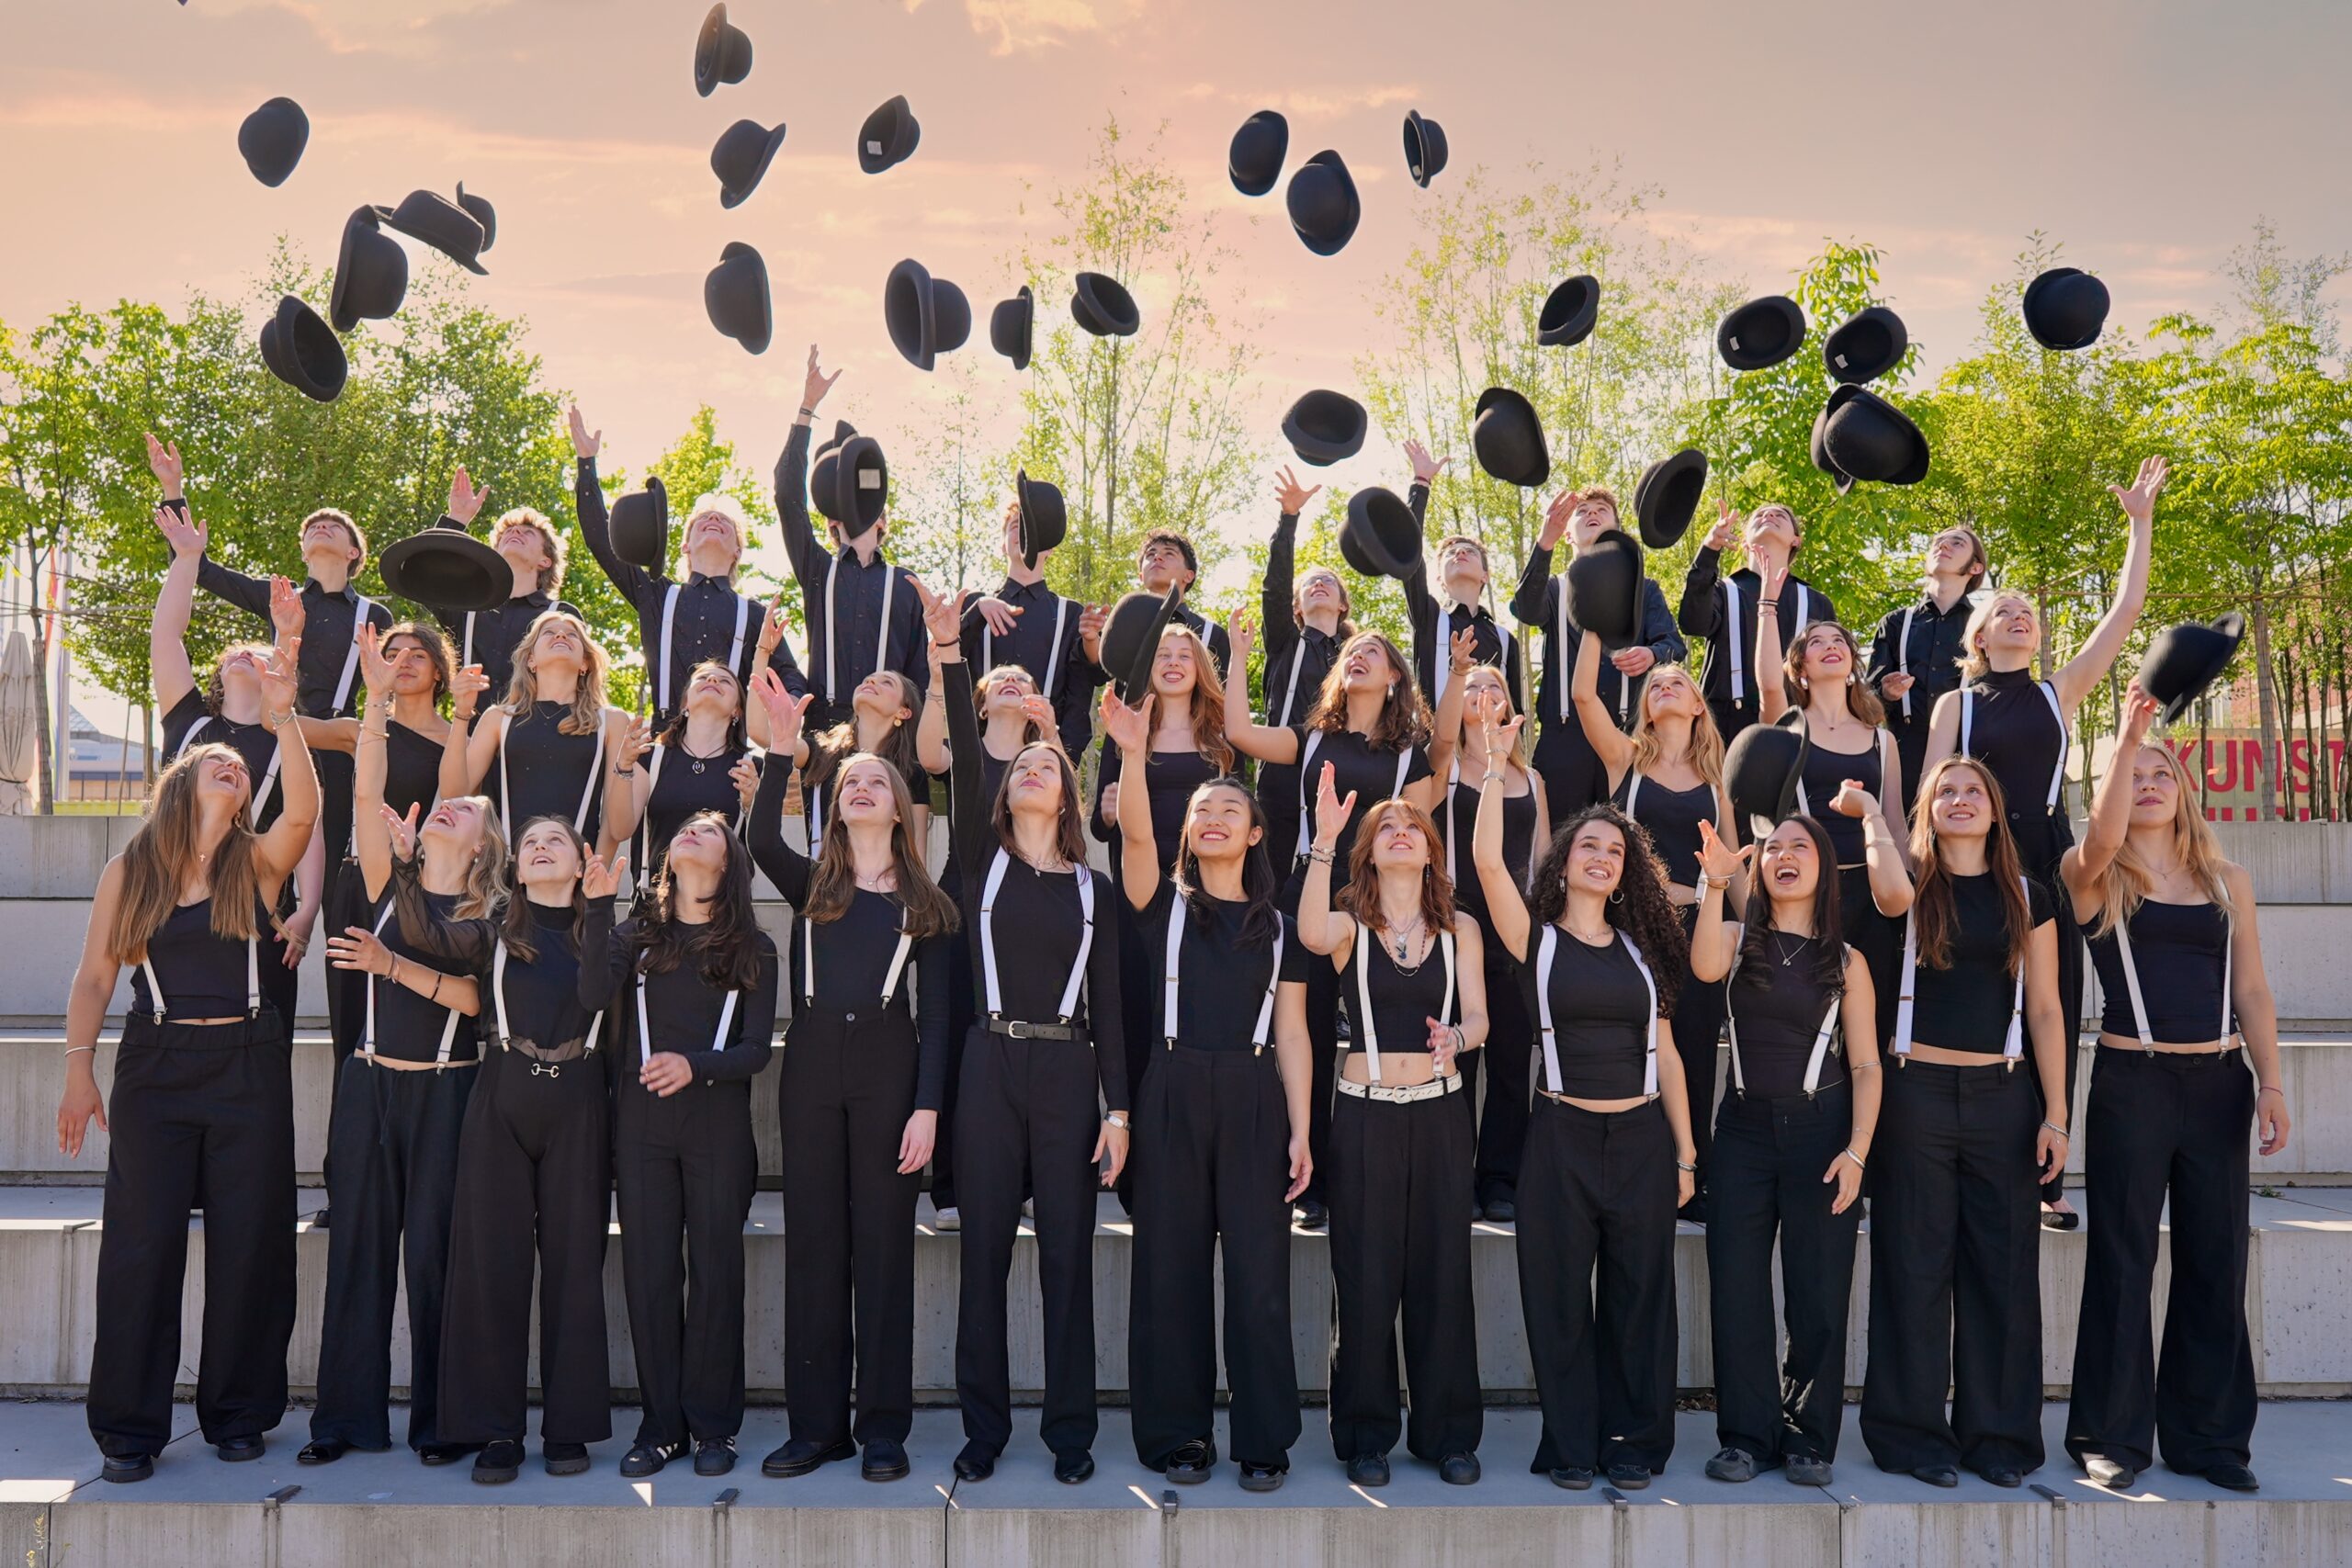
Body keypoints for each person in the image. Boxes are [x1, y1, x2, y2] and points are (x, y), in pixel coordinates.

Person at [62, 637, 317, 1483]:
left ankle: (238, 1415)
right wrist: (77, 1069)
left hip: (247, 1060)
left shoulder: (257, 863)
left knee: (252, 1243)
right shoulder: (130, 868)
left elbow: (304, 814)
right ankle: (128, 1430)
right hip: (156, 1064)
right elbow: (95, 978)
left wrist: (283, 714)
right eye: (217, 763)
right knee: (141, 1247)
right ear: (182, 781)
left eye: (240, 769)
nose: (232, 768)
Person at [919, 577, 1130, 1487]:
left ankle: (1071, 1434)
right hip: (989, 1067)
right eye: (1025, 767)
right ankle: (984, 1430)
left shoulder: (1094, 890)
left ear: (1069, 792)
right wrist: (949, 651)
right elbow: (967, 757)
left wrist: (1117, 1111)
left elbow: (1111, 1009)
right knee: (985, 1261)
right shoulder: (982, 862)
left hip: (1069, 1073)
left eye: (1050, 764)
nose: (1034, 770)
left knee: (1067, 1264)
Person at [1921, 456, 2166, 1228]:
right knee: (1981, 1006)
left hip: (2049, 863)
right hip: (1972, 864)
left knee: (2050, 1011)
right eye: (2005, 610)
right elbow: (1931, 794)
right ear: (1979, 635)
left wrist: (2139, 524)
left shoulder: (2059, 693)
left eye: (2028, 611)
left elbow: (2126, 611)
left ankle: (2047, 1176)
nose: (2020, 615)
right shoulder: (1955, 704)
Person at [2062, 685, 2288, 1495]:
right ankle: (2109, 1437)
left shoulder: (2228, 879)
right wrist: (2127, 738)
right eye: (2135, 775)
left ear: (2185, 791)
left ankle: (2210, 1438)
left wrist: (2271, 1081)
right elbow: (2099, 838)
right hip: (2134, 1083)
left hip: (2220, 1084)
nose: (2151, 782)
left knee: (2217, 1259)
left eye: (2163, 772)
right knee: (2123, 1259)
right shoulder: (2093, 874)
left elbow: (2252, 988)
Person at [1102, 688, 1312, 1491]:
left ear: (1255, 831)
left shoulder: (1280, 924)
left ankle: (1263, 1437)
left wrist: (1300, 1129)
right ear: (1187, 832)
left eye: (1231, 807)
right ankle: (1178, 1433)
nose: (1214, 817)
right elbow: (1135, 834)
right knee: (1171, 1272)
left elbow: (1293, 1032)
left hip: (1255, 1094)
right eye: (1201, 810)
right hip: (1172, 1088)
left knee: (1259, 1278)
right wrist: (1130, 752)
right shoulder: (1160, 903)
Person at [746, 686, 956, 1485]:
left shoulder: (925, 903)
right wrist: (780, 747)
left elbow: (936, 1018)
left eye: (876, 781)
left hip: (887, 1068)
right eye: (849, 783)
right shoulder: (812, 883)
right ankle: (817, 1427)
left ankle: (883, 1429)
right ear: (835, 809)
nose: (861, 788)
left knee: (883, 1249)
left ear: (899, 808)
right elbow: (759, 834)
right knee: (815, 1247)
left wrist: (927, 1107)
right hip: (810, 1066)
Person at [303, 627, 503, 1468]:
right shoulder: (389, 881)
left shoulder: (490, 916)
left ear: (483, 844)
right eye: (445, 806)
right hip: (368, 1085)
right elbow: (366, 786)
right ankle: (344, 1421)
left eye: (467, 809)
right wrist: (377, 700)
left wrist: (391, 966)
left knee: (435, 1259)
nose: (449, 806)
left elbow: (472, 997)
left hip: (449, 1091)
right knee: (357, 1252)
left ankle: (442, 1422)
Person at [1473, 761, 1694, 1489]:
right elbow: (1486, 861)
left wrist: (1687, 1152)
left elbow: (1668, 1057)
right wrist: (1493, 765)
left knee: (1640, 1298)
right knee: (1559, 1297)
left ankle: (1632, 1440)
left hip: (1642, 1141)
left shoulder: (1642, 950)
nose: (1601, 856)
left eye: (1615, 850)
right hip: (1560, 1136)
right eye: (1588, 845)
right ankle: (1570, 1443)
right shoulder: (1535, 941)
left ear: (1626, 871)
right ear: (1563, 861)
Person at [1860, 757, 2070, 1490]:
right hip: (1913, 1093)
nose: (1959, 799)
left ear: (1995, 808)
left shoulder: (2028, 895)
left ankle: (1999, 1437)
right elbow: (1883, 889)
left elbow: (2046, 1008)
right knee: (1912, 1265)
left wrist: (2057, 1113)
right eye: (1945, 791)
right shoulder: (1907, 884)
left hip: (2002, 1097)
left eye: (1973, 789)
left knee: (2002, 1270)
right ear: (1927, 809)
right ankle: (1911, 1435)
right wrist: (1872, 814)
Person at [393, 818, 622, 1483]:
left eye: (556, 841)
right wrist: (406, 866)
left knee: (575, 1266)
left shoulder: (607, 931)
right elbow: (423, 935)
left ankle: (569, 1428)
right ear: (517, 868)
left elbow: (595, 995)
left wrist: (600, 908)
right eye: (530, 843)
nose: (541, 847)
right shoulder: (493, 932)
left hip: (578, 1102)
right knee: (491, 1265)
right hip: (501, 1098)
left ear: (579, 863)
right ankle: (496, 1429)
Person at [1224, 615, 1464, 1229]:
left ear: (1393, 678)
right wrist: (1240, 654)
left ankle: (1364, 1174)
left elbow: (1430, 804)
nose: (1358, 656)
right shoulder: (1310, 739)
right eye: (1351, 651)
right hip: (1307, 892)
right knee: (1301, 1032)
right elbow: (1238, 731)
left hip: (1375, 903)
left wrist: (1460, 675)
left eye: (1373, 652)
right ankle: (1309, 1181)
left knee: (1367, 1036)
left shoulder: (1408, 754)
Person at [153, 434, 394, 1006]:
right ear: (303, 550)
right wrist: (174, 491)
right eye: (313, 526)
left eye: (335, 526)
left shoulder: (374, 614)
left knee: (340, 894)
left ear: (354, 553)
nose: (322, 527)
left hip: (335, 757)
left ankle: (348, 1019)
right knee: (270, 867)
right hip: (273, 739)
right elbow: (200, 568)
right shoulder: (279, 595)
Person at [582, 811, 779, 1479]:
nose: (692, 832)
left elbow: (756, 1050)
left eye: (710, 830)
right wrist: (598, 908)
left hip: (717, 1127)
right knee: (650, 1274)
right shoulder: (636, 934)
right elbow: (590, 994)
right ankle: (661, 1426)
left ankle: (714, 1427)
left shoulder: (754, 946)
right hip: (641, 1126)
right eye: (686, 828)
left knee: (718, 1275)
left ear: (728, 862)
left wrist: (696, 1065)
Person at [1302, 782, 1488, 1487]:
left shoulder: (1460, 929)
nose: (1402, 831)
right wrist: (1323, 840)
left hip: (1440, 1114)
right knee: (1365, 1276)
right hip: (1365, 1115)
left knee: (1443, 1273)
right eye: (1387, 827)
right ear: (1370, 854)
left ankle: (1448, 1435)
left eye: (1413, 825)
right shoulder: (1350, 924)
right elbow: (1309, 933)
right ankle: (1366, 1435)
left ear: (1431, 851)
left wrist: (1459, 1037)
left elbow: (1481, 1016)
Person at [1688, 815, 1882, 1488]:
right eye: (1773, 848)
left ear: (1823, 867)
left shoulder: (1848, 961)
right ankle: (1746, 1436)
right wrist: (1717, 884)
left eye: (1800, 846)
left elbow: (1866, 1066)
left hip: (1821, 1133)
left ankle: (1808, 1436)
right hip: (1741, 1132)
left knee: (1818, 1290)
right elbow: (1702, 965)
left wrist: (1858, 1151)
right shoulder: (1737, 938)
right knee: (1737, 1285)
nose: (1784, 856)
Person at [294, 619, 458, 1228]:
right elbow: (281, 722)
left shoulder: (458, 738)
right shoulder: (359, 727)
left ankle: (419, 1182)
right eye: (394, 652)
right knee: (352, 1038)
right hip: (355, 890)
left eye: (419, 654)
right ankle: (349, 1187)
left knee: (412, 1032)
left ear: (439, 671)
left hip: (424, 894)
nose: (405, 660)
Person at [1570, 628, 1736, 1218]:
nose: (1664, 686)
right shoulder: (1626, 761)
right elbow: (1583, 696)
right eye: (1655, 684)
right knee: (1638, 1049)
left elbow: (1731, 864)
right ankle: (1638, 1172)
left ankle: (1694, 1176)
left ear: (1697, 706)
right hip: (1633, 928)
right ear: (1644, 707)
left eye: (1677, 682)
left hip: (1700, 932)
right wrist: (1596, 621)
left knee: (1695, 1051)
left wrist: (1755, 927)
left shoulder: (1718, 780)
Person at [151, 507, 321, 1030]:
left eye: (259, 651)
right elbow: (167, 636)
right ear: (220, 672)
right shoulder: (188, 722)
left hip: (261, 908)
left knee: (262, 1038)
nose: (245, 653)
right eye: (235, 652)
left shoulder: (286, 741)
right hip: (175, 894)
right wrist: (186, 559)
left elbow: (308, 823)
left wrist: (308, 907)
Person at [913, 657, 1057, 1232]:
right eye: (1000, 679)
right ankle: (949, 1188)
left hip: (1030, 911)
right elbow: (929, 754)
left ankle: (1027, 1184)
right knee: (955, 1045)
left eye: (1023, 679)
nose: (1012, 682)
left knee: (1025, 1047)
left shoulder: (1044, 757)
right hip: (961, 910)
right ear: (979, 701)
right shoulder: (964, 751)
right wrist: (935, 677)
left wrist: (1051, 734)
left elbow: (1068, 807)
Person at [1091, 625, 1234, 1151]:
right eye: (1163, 656)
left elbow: (1240, 813)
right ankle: (1133, 1148)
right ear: (1148, 669)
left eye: (1184, 655)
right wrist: (1109, 812)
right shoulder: (1126, 729)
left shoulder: (1222, 737)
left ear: (1200, 668)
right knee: (1138, 1015)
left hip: (1207, 901)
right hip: (1141, 901)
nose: (1173, 663)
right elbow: (1099, 825)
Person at [572, 407, 803, 724]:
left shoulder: (755, 616)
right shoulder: (656, 594)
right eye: (702, 519)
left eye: (724, 521)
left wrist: (790, 701)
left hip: (730, 746)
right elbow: (601, 539)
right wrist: (586, 463)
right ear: (685, 546)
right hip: (665, 740)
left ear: (737, 551)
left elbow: (790, 677)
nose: (713, 518)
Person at [1757, 613, 1912, 1043]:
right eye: (1817, 642)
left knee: (1870, 1029)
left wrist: (1913, 890)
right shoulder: (1787, 728)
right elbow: (1769, 686)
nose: (1831, 645)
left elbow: (1895, 822)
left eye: (1839, 641)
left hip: (1873, 897)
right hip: (1807, 894)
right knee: (1804, 1024)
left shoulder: (1882, 740)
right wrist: (1768, 604)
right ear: (1800, 669)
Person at [1434, 663, 1550, 1221]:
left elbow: (1543, 859)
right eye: (1472, 686)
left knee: (1509, 1059)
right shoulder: (1446, 767)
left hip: (1515, 927)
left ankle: (1501, 1179)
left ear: (1509, 703)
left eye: (1494, 686)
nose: (1483, 693)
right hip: (1456, 922)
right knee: (1458, 1058)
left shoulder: (1534, 780)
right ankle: (1455, 1176)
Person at [774, 347, 927, 730]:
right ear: (831, 518)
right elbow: (787, 496)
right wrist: (807, 407)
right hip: (824, 729)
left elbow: (919, 675)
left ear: (882, 520)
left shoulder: (907, 585)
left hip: (888, 734)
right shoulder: (817, 569)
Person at [1510, 488, 1686, 820]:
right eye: (1582, 511)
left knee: (1630, 837)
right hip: (1564, 741)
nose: (1592, 513)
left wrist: (1651, 654)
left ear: (1617, 529)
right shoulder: (1554, 589)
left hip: (1627, 738)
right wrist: (1544, 542)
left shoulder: (1645, 590)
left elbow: (1674, 645)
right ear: (1567, 535)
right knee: (1558, 839)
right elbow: (1526, 609)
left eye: (1602, 509)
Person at [438, 609, 641, 860]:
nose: (560, 635)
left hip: (575, 871)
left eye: (572, 634)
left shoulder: (612, 721)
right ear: (531, 660)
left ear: (585, 663)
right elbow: (453, 793)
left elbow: (618, 827)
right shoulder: (499, 718)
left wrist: (596, 871)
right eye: (549, 632)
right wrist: (461, 712)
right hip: (507, 871)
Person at [1678, 500, 1837, 745]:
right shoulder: (1721, 591)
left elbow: (1832, 674)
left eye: (1780, 515)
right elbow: (1692, 624)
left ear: (1796, 540)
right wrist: (1709, 549)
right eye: (1760, 515)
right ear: (1744, 541)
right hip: (1723, 732)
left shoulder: (1817, 603)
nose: (1769, 515)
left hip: (1801, 728)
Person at [423, 466, 583, 702]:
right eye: (507, 533)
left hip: (538, 724)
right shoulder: (467, 607)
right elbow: (426, 578)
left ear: (545, 560)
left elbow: (579, 682)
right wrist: (456, 518)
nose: (515, 531)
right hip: (470, 725)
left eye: (527, 533)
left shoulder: (561, 615)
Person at [957, 496, 1102, 758]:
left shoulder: (1071, 614)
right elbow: (943, 663)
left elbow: (1083, 686)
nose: (1024, 533)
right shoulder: (973, 606)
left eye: (1032, 529)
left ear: (1049, 549)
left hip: (1044, 753)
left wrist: (1062, 757)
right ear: (1003, 545)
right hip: (979, 754)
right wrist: (975, 613)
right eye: (1016, 526)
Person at [1260, 465, 1354, 861]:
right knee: (1278, 873)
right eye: (1310, 582)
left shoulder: (1357, 655)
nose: (1318, 584)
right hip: (1284, 776)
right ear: (1296, 607)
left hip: (1343, 774)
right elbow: (1275, 588)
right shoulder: (1285, 642)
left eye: (1328, 580)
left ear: (1342, 604)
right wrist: (1289, 518)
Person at [1865, 525, 1986, 810]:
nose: (1943, 545)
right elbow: (1866, 702)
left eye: (1957, 543)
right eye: (1938, 541)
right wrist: (1886, 694)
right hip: (1901, 764)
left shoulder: (1985, 626)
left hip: (1967, 762)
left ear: (1975, 567)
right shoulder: (1895, 623)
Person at [1398, 441, 1522, 710]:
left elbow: (1516, 711)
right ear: (1439, 579)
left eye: (1470, 552)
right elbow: (1409, 551)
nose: (1460, 553)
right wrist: (1421, 484)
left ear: (1485, 576)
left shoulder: (1505, 640)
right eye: (1450, 553)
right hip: (1434, 736)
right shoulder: (1429, 618)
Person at [629, 659, 760, 885]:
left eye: (725, 681)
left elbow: (765, 843)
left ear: (737, 711)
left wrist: (752, 805)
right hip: (656, 897)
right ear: (685, 704)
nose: (713, 679)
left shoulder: (752, 768)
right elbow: (621, 828)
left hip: (725, 899)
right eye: (702, 677)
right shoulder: (649, 758)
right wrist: (621, 767)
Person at [1095, 528, 1230, 678]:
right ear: (1141, 576)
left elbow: (1222, 690)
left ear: (1189, 575)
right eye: (1150, 554)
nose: (1157, 557)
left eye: (1169, 553)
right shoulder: (1124, 623)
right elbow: (1097, 674)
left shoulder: (1211, 634)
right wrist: (1090, 638)